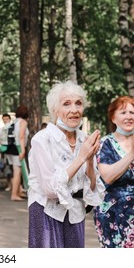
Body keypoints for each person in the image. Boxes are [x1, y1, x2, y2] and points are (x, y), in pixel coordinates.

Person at [27, 80, 105, 248]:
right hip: (46, 213)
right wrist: (81, 158)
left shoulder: (84, 139)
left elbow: (91, 187)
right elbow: (50, 190)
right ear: (55, 110)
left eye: (78, 103)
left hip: (76, 213)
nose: (74, 110)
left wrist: (90, 160)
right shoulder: (42, 139)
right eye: (66, 104)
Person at [93, 95, 134, 248]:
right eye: (123, 113)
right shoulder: (105, 144)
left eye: (132, 113)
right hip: (114, 215)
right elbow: (108, 176)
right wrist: (131, 155)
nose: (129, 117)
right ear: (113, 118)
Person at [7, 105, 29, 201]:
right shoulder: (23, 122)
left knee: (17, 172)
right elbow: (21, 136)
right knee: (17, 172)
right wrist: (23, 150)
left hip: (12, 148)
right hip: (19, 148)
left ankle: (18, 192)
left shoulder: (15, 122)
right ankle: (14, 194)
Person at [0, 113, 13, 190]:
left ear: (10, 119)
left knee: (11, 168)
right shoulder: (1, 129)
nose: (5, 121)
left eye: (7, 119)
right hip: (3, 150)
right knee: (6, 168)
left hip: (11, 150)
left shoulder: (12, 128)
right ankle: (9, 184)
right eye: (4, 119)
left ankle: (13, 185)